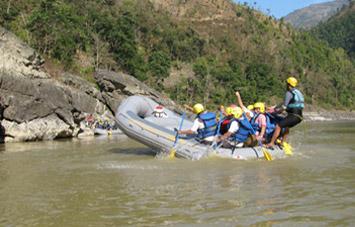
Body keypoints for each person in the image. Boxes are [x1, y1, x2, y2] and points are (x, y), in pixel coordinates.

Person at [266, 76, 304, 147]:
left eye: (286, 84)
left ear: (288, 85)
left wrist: (276, 112)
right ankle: (282, 142)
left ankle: (271, 143)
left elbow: (284, 107)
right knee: (286, 126)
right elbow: (284, 103)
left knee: (278, 126)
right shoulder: (298, 92)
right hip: (299, 117)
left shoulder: (289, 93)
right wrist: (273, 108)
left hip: (293, 115)